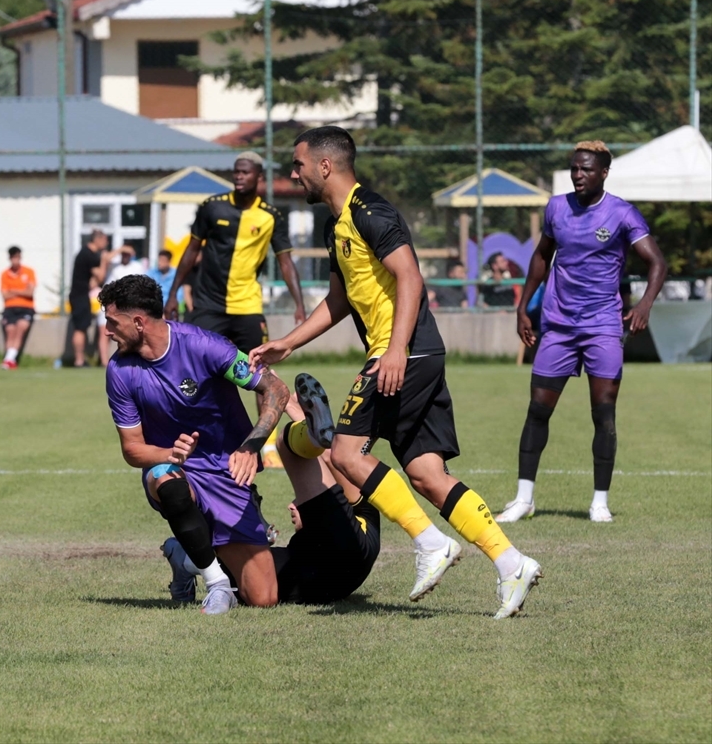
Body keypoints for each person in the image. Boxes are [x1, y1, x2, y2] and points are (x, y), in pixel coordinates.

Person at [251, 126, 542, 619]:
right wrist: (289, 341)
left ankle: (431, 543)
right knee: (428, 475)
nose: (292, 174)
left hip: (404, 354)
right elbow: (340, 301)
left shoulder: (371, 212)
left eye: (297, 165)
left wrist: (396, 350)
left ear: (325, 166)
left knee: (345, 452)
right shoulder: (334, 225)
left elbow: (411, 276)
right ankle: (512, 562)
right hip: (410, 353)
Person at [496, 140, 667, 525]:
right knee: (537, 411)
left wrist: (643, 305)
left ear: (603, 173)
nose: (578, 175)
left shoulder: (622, 213)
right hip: (558, 325)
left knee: (603, 414)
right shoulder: (557, 207)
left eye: (586, 169)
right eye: (574, 168)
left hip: (603, 326)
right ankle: (524, 499)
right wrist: (524, 307)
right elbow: (542, 256)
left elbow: (657, 261)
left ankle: (599, 502)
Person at [100, 274, 291, 614]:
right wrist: (169, 454)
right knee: (166, 482)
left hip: (226, 471)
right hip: (175, 469)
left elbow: (274, 389)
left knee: (264, 598)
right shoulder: (119, 369)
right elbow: (132, 448)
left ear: (139, 322)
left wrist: (250, 447)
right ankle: (217, 584)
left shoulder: (204, 346)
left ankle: (185, 556)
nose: (107, 330)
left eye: (112, 322)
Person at [162, 372, 381, 606]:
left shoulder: (356, 520)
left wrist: (289, 405)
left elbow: (332, 455)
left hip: (338, 559)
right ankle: (185, 554)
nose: (290, 505)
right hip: (314, 571)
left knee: (289, 443)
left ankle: (183, 555)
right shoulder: (353, 515)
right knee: (251, 576)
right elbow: (331, 455)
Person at [163, 151, 307, 467]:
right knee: (194, 373)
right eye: (236, 172)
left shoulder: (270, 216)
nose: (239, 176)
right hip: (207, 307)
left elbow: (285, 261)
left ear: (258, 176)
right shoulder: (212, 207)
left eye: (245, 172)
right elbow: (190, 252)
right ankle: (194, 437)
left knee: (257, 370)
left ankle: (266, 445)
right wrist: (172, 294)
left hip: (247, 307)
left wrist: (299, 304)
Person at [69, 229, 110, 367]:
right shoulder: (89, 255)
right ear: (97, 240)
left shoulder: (84, 253)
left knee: (82, 327)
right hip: (80, 295)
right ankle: (79, 361)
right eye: (105, 240)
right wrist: (104, 261)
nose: (106, 243)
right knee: (80, 328)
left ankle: (80, 360)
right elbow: (100, 277)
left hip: (79, 294)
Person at [99, 245, 146, 364]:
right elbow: (105, 259)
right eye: (123, 254)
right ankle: (105, 363)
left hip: (127, 307)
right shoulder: (114, 265)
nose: (125, 256)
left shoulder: (137, 267)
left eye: (127, 254)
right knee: (105, 333)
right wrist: (121, 249)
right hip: (109, 304)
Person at [0, 246, 36, 370]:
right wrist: (22, 290)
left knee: (20, 328)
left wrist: (13, 290)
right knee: (10, 331)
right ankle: (10, 360)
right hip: (10, 308)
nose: (16, 260)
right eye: (14, 257)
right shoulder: (5, 274)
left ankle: (9, 359)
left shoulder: (28, 271)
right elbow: (5, 295)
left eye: (18, 257)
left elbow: (30, 292)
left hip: (25, 308)